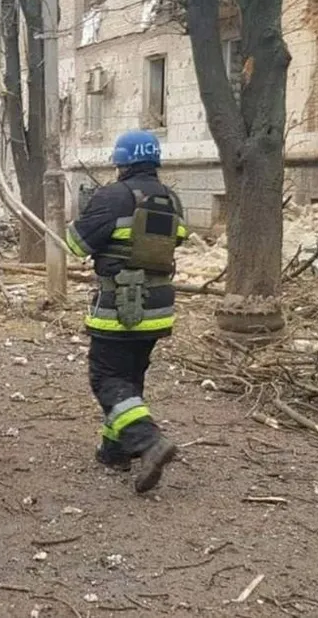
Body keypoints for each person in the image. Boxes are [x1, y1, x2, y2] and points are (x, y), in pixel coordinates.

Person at [65, 129, 188, 493]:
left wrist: (89, 212)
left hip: (120, 307)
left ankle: (148, 442)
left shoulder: (112, 196)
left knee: (106, 378)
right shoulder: (173, 199)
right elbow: (176, 241)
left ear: (121, 163)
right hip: (159, 306)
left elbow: (75, 244)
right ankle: (114, 450)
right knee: (130, 377)